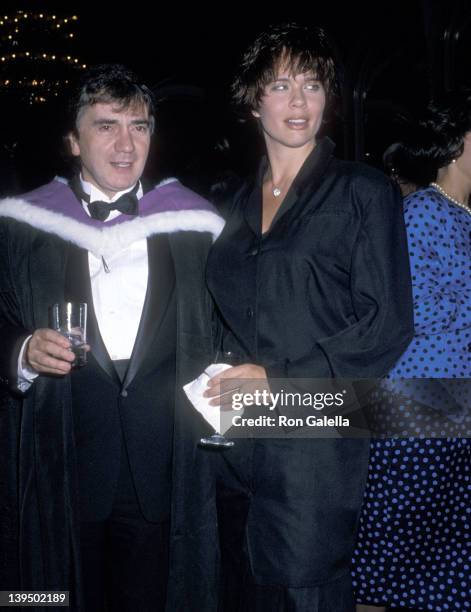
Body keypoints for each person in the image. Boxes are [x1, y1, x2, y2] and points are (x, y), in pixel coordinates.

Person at [204, 23, 414, 612]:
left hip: (315, 436)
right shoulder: (231, 201)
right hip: (234, 439)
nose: (299, 101)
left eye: (314, 85)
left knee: (305, 590)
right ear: (252, 101)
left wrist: (277, 378)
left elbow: (387, 326)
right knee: (237, 588)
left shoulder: (363, 191)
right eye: (280, 85)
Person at [0, 64, 224, 611]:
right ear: (73, 141)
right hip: (61, 460)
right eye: (106, 126)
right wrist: (22, 351)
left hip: (162, 466)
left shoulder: (195, 226)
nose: (126, 143)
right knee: (46, 597)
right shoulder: (21, 226)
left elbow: (228, 329)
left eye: (140, 126)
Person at [353, 93, 471, 612]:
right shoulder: (422, 211)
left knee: (444, 558)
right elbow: (413, 313)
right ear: (459, 143)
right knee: (389, 557)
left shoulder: (464, 215)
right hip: (418, 408)